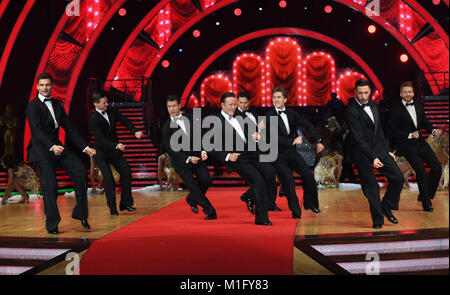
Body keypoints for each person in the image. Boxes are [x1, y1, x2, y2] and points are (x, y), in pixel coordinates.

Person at [26, 73, 96, 234]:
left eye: (48, 85)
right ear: (37, 87)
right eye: (42, 85)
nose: (45, 88)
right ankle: (52, 224)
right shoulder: (32, 106)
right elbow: (37, 132)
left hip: (58, 147)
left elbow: (70, 128)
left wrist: (85, 148)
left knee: (79, 171)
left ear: (52, 86)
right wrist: (52, 146)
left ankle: (81, 214)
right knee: (51, 187)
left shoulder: (57, 104)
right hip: (42, 150)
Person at [344, 79, 404, 229]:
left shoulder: (373, 105)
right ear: (355, 93)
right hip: (361, 152)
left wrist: (388, 150)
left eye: (366, 93)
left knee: (398, 177)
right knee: (372, 186)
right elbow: (358, 139)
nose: (363, 96)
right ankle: (378, 221)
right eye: (360, 93)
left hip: (379, 148)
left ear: (370, 92)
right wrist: (373, 158)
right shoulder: (351, 111)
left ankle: (386, 206)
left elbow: (379, 131)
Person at [208, 92, 273, 225]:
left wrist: (256, 134)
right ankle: (262, 219)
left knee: (270, 173)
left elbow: (250, 131)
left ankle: (248, 196)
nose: (233, 107)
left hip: (252, 153)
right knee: (258, 181)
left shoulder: (239, 115)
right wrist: (227, 156)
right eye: (230, 105)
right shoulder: (216, 121)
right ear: (222, 105)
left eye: (234, 104)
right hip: (237, 158)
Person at [265, 86, 324, 219]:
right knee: (289, 182)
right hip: (278, 154)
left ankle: (311, 203)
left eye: (279, 97)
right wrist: (291, 141)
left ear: (285, 99)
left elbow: (306, 124)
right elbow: (272, 137)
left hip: (291, 153)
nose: (276, 100)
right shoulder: (269, 115)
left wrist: (318, 140)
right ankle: (296, 212)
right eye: (274, 97)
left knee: (308, 176)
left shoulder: (291, 113)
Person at [161, 95, 217, 220]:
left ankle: (192, 199)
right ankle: (210, 211)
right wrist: (188, 158)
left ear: (179, 106)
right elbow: (171, 149)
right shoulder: (166, 127)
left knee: (206, 180)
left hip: (197, 157)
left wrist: (203, 150)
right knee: (193, 185)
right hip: (181, 161)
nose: (172, 109)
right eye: (169, 107)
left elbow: (201, 135)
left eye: (174, 105)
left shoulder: (191, 118)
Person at [390, 81, 442, 212]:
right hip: (406, 144)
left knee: (437, 168)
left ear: (413, 93)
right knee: (421, 171)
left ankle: (426, 194)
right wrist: (409, 135)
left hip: (420, 142)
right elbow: (393, 131)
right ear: (401, 94)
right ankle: (426, 202)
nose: (407, 94)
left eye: (410, 92)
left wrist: (433, 130)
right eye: (405, 92)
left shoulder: (418, 106)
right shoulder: (396, 110)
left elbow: (424, 122)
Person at [89, 92, 142, 215]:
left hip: (114, 150)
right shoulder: (93, 119)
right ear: (96, 104)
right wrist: (116, 145)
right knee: (108, 178)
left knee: (126, 172)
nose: (107, 104)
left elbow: (125, 120)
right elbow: (100, 139)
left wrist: (134, 131)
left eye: (107, 101)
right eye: (104, 103)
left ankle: (126, 203)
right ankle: (112, 208)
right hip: (101, 151)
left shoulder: (112, 110)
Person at [234, 91, 279, 214]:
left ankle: (257, 198)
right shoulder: (234, 115)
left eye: (245, 102)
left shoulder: (254, 111)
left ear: (249, 102)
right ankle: (254, 198)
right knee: (260, 178)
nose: (243, 105)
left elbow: (261, 126)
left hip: (260, 150)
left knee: (270, 174)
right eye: (240, 102)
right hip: (246, 154)